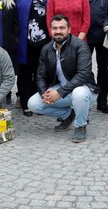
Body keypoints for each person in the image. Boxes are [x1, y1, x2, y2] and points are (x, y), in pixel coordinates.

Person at [28, 15, 99, 143]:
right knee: (33, 104)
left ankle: (80, 125)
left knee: (79, 93)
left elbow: (83, 75)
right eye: (55, 28)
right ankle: (68, 115)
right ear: (50, 30)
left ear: (69, 29)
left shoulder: (80, 46)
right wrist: (45, 93)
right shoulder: (46, 49)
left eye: (62, 28)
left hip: (84, 89)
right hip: (61, 90)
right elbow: (40, 76)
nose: (58, 31)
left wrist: (59, 93)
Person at [11, 0, 54, 115]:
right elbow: (13, 12)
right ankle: (25, 102)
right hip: (25, 38)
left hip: (45, 38)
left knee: (42, 71)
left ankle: (42, 102)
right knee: (25, 72)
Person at [75, 0, 108, 113]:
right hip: (85, 33)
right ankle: (86, 98)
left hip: (104, 33)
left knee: (103, 68)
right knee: (84, 68)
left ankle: (102, 101)